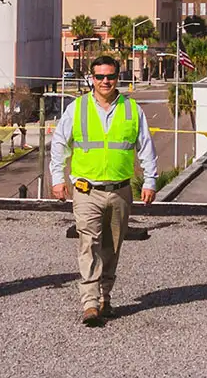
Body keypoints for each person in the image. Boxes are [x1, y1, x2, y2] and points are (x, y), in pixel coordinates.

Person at [50, 54, 158, 326]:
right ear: (91, 78)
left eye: (110, 76)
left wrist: (150, 180)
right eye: (99, 77)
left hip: (120, 190)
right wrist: (57, 178)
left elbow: (145, 147)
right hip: (87, 191)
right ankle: (89, 302)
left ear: (117, 77)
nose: (105, 81)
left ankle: (105, 298)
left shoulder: (132, 110)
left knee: (112, 247)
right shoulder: (77, 108)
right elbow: (60, 143)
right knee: (89, 243)